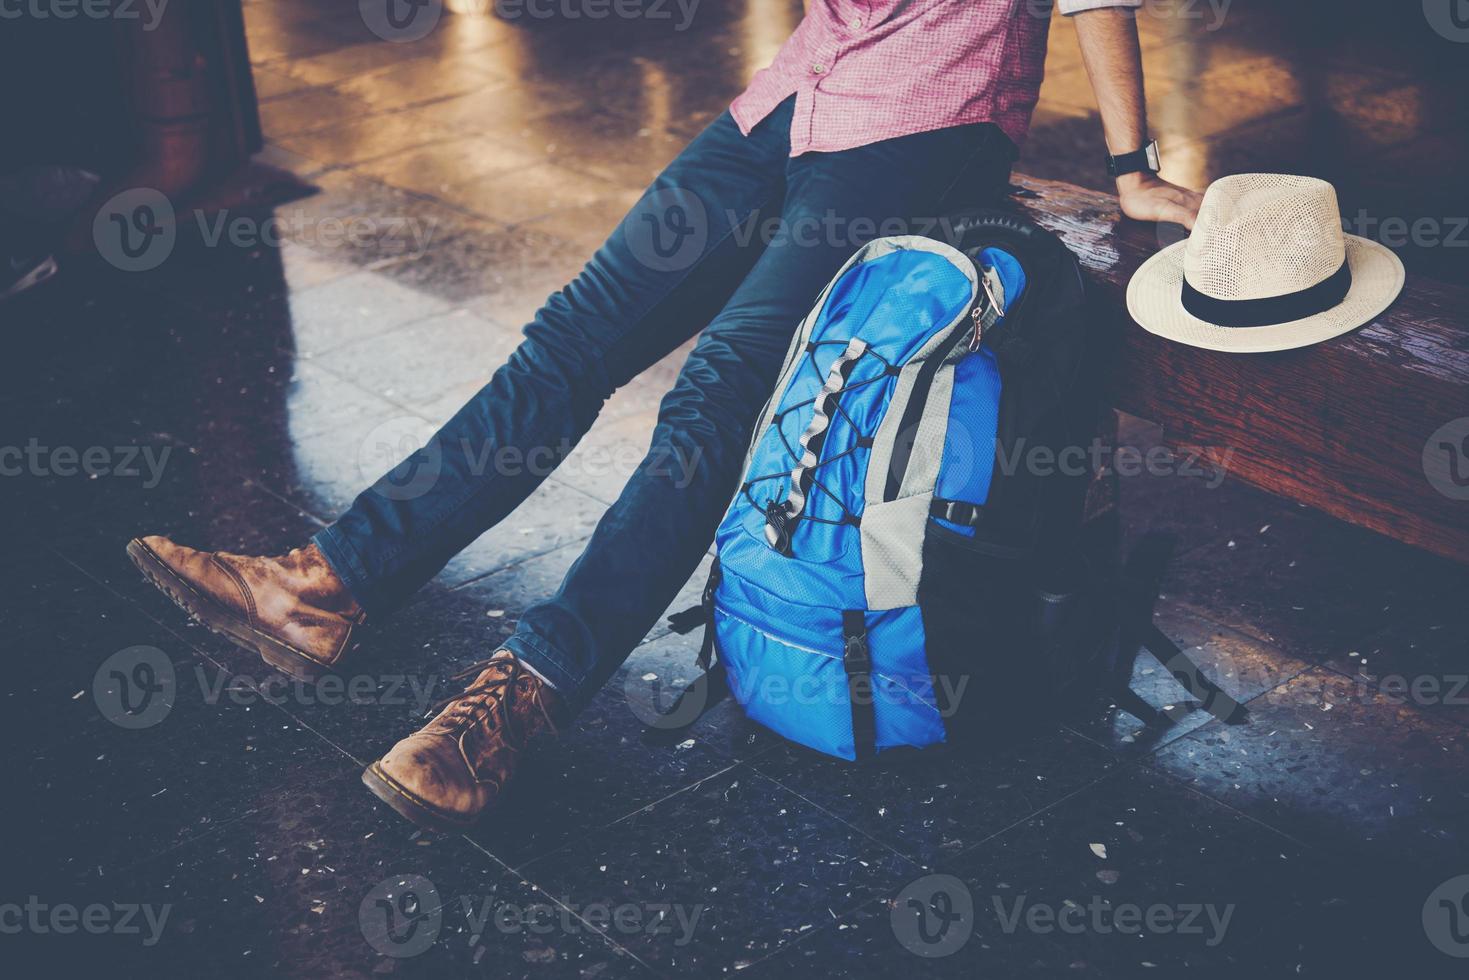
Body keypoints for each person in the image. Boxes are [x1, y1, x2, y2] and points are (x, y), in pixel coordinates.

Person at [128, 1, 1204, 831]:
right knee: (573, 336)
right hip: (794, 94)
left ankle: (520, 696)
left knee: (716, 391)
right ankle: (328, 583)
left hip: (926, 121)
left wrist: (1131, 168)